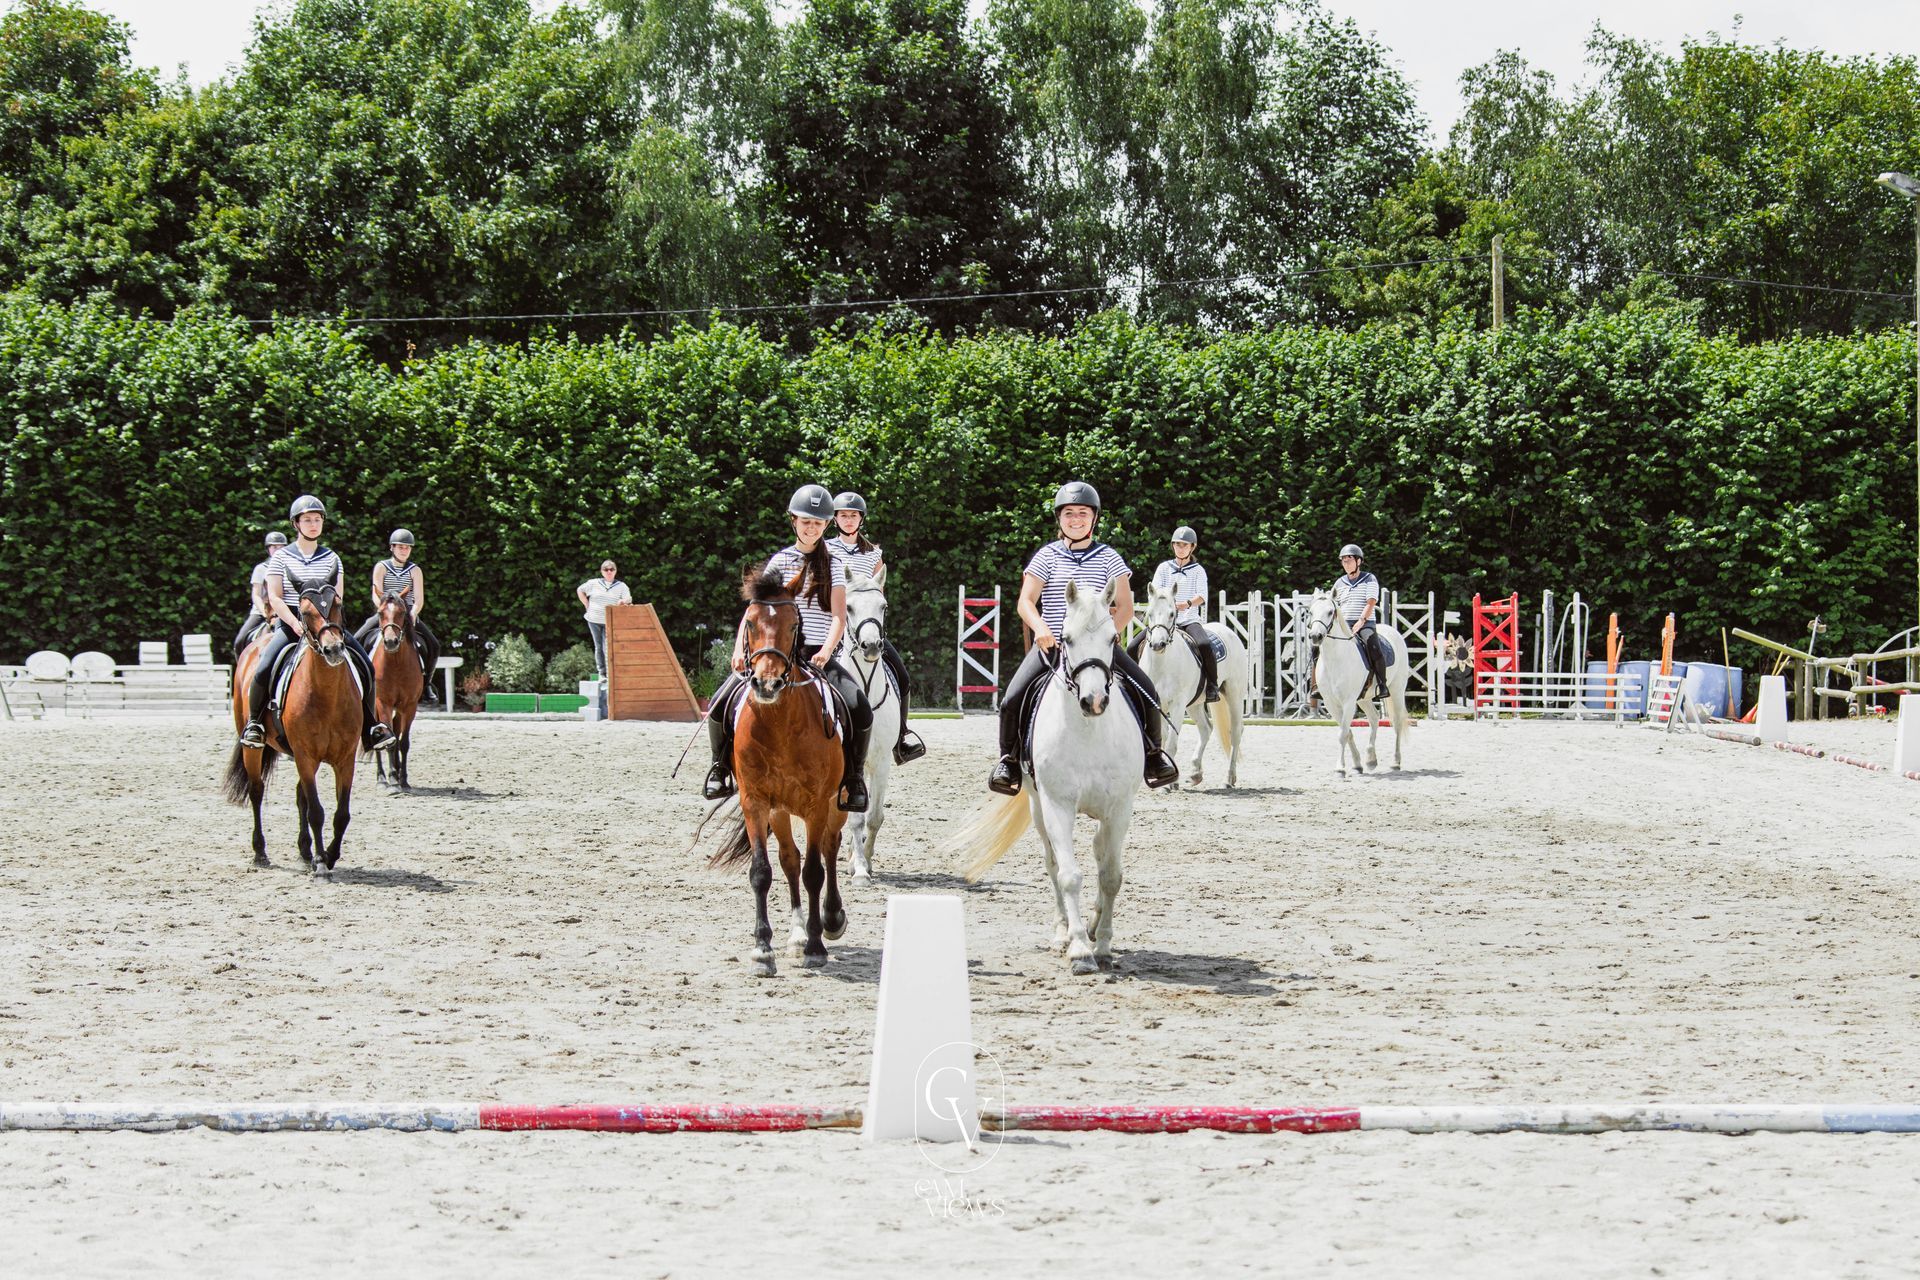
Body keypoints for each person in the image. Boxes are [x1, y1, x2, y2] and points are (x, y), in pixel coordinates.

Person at [987, 482, 1181, 796]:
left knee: (1147, 689)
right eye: (1069, 513)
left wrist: (1106, 637)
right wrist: (1040, 628)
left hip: (1099, 650)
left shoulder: (1109, 558)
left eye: (1082, 513)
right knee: (1012, 699)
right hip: (1054, 645)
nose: (1075, 519)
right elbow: (1026, 601)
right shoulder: (1046, 557)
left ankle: (1154, 756)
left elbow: (1125, 606)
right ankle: (1008, 761)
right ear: (1059, 518)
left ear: (1094, 518)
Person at [703, 484, 873, 812]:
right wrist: (739, 649)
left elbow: (839, 616)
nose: (811, 528)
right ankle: (720, 767)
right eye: (806, 521)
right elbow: (754, 611)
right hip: (775, 653)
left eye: (818, 523)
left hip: (817, 655)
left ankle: (853, 778)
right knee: (719, 703)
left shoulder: (834, 563)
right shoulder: (780, 561)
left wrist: (827, 651)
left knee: (860, 707)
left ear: (827, 525)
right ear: (793, 521)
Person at [237, 495, 397, 751]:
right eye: (307, 520)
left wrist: (328, 624)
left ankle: (371, 726)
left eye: (317, 520)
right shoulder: (281, 558)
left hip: (327, 625)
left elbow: (337, 597)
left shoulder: (332, 558)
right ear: (296, 524)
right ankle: (255, 723)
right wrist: (294, 623)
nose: (313, 524)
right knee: (264, 666)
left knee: (365, 665)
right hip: (292, 623)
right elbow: (275, 597)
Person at [829, 490, 925, 764]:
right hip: (833, 626)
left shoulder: (873, 555)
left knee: (902, 676)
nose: (849, 520)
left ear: (861, 519)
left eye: (853, 515)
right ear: (835, 519)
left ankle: (902, 736)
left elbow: (878, 597)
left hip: (865, 628)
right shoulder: (826, 550)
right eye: (844, 515)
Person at [1131, 524, 1221, 703]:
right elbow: (1155, 592)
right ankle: (1132, 684)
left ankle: (1212, 685)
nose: (1180, 548)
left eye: (1184, 545)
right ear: (1173, 546)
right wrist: (1167, 605)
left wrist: (1186, 604)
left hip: (1188, 620)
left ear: (1192, 547)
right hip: (1163, 621)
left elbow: (1202, 596)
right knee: (1132, 647)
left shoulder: (1198, 570)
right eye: (1177, 544)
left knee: (1204, 644)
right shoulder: (1164, 568)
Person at [352, 529, 442, 704]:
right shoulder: (381, 567)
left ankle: (427, 684)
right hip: (385, 612)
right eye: (400, 547)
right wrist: (383, 609)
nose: (404, 550)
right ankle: (359, 682)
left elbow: (419, 598)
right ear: (392, 548)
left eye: (407, 548)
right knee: (357, 639)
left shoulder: (415, 570)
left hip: (405, 614)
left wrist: (413, 612)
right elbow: (376, 593)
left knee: (434, 645)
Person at [1332, 542, 1389, 696]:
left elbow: (1371, 602)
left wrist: (1361, 621)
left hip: (1364, 623)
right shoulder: (1339, 583)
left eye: (1349, 560)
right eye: (1343, 561)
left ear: (1358, 561)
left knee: (1373, 647)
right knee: (1321, 646)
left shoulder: (1369, 579)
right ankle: (1316, 685)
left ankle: (1382, 684)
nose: (1346, 563)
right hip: (1344, 623)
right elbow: (1335, 605)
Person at [233, 531, 288, 658]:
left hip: (285, 610)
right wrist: (264, 612)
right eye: (274, 547)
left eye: (281, 547)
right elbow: (256, 595)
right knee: (239, 641)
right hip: (262, 611)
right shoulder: (261, 569)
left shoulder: (290, 568)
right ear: (268, 549)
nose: (278, 550)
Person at [577, 560, 632, 681]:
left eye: (612, 569)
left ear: (615, 571)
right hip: (593, 620)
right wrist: (586, 604)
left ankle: (610, 673)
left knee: (607, 647)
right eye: (606, 569)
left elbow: (628, 599)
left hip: (610, 621)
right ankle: (602, 673)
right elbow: (580, 590)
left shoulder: (621, 586)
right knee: (598, 646)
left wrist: (622, 601)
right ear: (602, 571)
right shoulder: (593, 583)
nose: (609, 571)